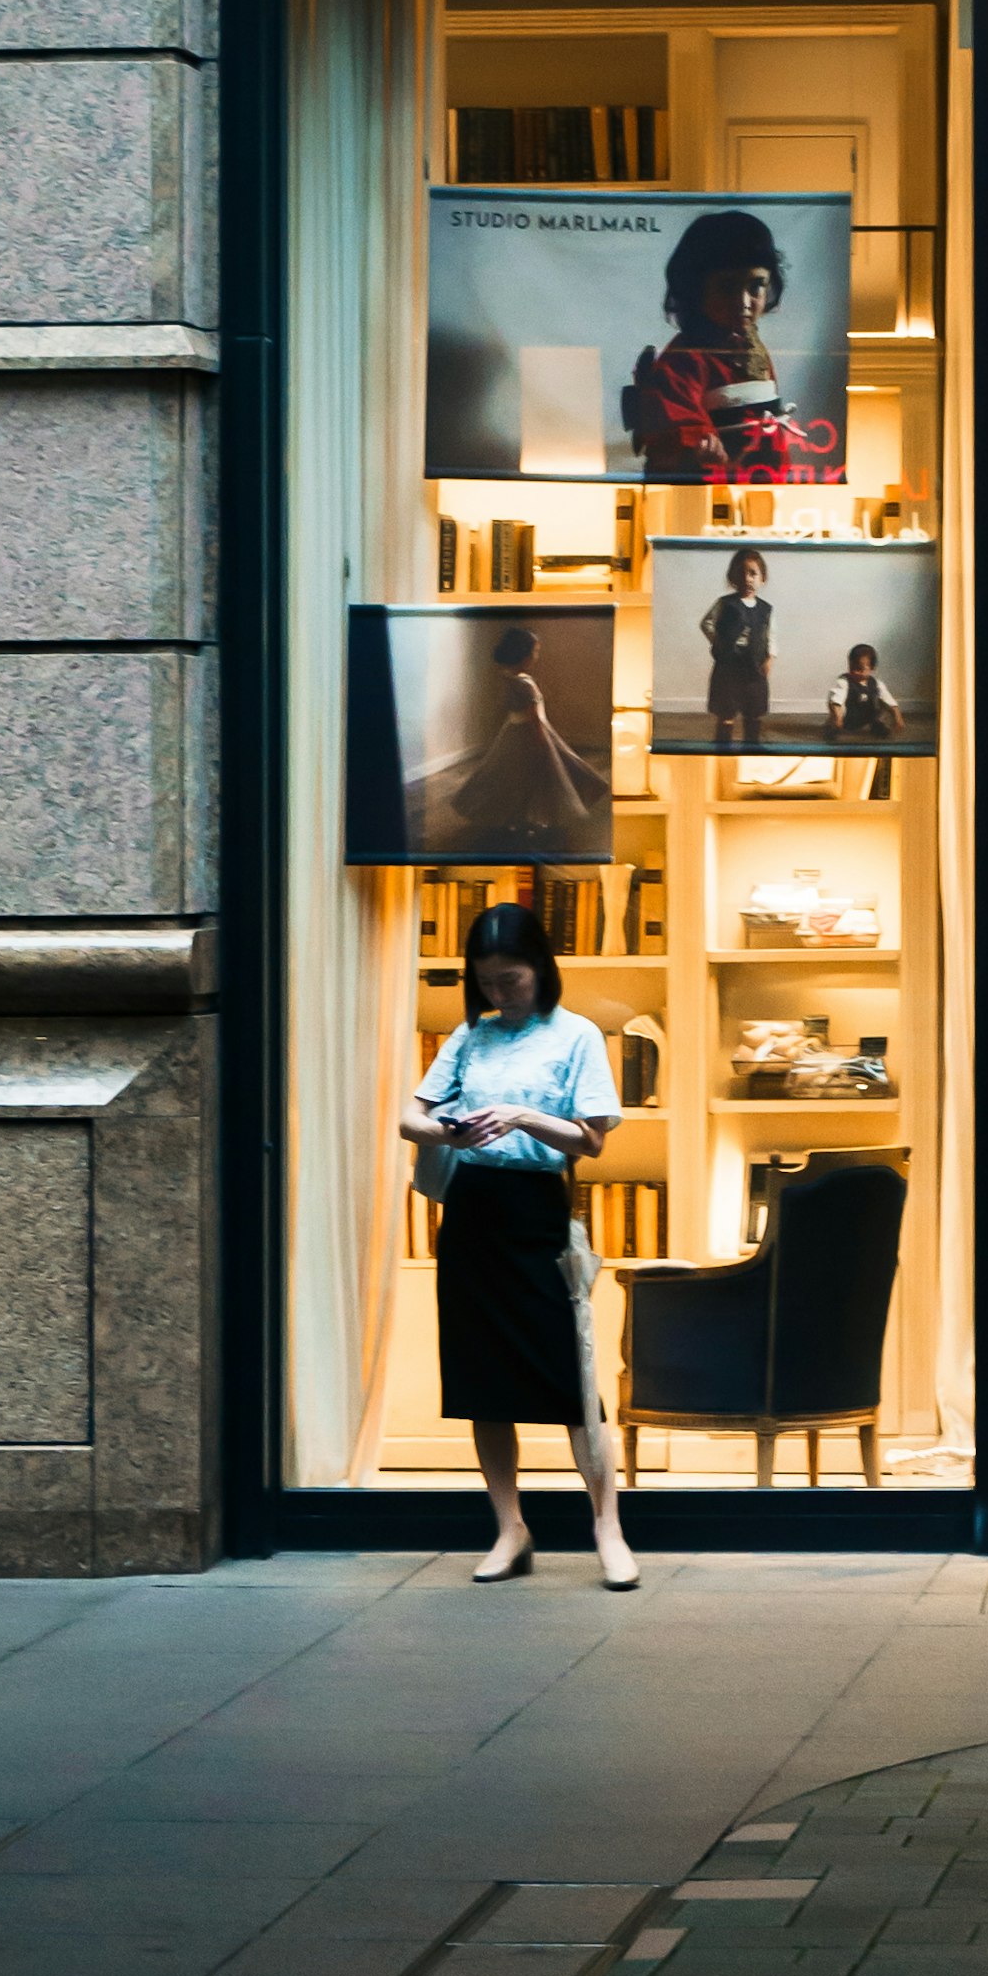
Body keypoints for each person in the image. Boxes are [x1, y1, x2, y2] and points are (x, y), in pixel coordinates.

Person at [401, 901, 638, 1590]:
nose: (502, 993)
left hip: (538, 1212)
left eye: (514, 979)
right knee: (483, 1384)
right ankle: (510, 1528)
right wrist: (450, 1131)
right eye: (490, 982)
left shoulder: (577, 1036)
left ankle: (608, 1528)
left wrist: (526, 1116)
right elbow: (408, 1117)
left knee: (571, 1380)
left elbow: (592, 1139)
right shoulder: (469, 1037)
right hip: (473, 1215)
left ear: (541, 969)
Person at [626, 207, 841, 483]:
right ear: (696, 288)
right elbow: (674, 430)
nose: (743, 303)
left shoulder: (752, 347)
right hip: (714, 485)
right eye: (727, 287)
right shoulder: (685, 357)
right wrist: (700, 449)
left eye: (756, 286)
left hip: (764, 478)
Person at [447, 623, 608, 851]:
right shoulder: (524, 684)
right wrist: (542, 742)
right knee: (546, 777)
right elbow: (533, 718)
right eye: (534, 651)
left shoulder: (509, 679)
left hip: (513, 733)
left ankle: (517, 820)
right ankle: (530, 820)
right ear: (522, 654)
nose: (536, 656)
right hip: (530, 736)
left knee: (512, 779)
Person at [699, 547, 775, 748]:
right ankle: (722, 744)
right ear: (733, 578)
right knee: (727, 710)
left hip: (754, 668)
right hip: (729, 667)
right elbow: (706, 623)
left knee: (754, 710)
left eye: (753, 573)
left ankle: (752, 744)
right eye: (742, 573)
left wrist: (770, 658)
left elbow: (771, 635)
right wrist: (719, 642)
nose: (748, 579)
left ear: (762, 578)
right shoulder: (725, 604)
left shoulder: (766, 609)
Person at [827, 641, 902, 745]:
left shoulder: (876, 684)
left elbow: (890, 701)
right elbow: (836, 700)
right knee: (836, 701)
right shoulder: (844, 682)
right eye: (852, 668)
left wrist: (897, 718)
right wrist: (838, 717)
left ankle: (876, 726)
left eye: (859, 669)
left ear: (872, 668)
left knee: (882, 700)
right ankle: (833, 728)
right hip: (847, 717)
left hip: (866, 716)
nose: (854, 672)